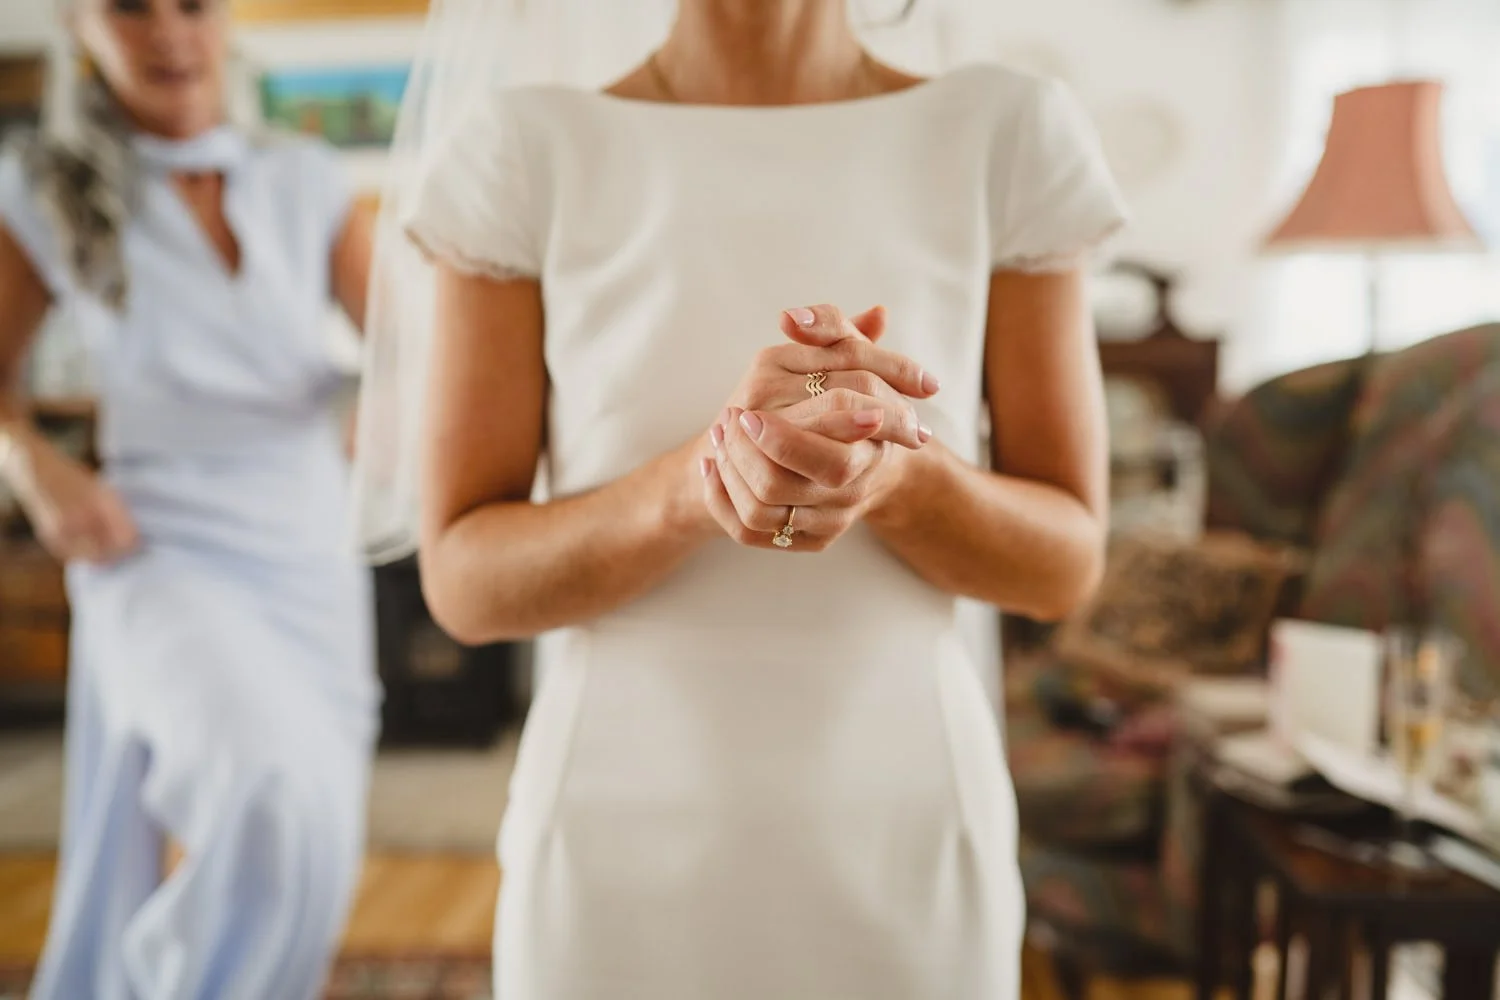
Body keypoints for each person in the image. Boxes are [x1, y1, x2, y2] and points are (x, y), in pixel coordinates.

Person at [353, 0, 1126, 996]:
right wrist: (698, 485)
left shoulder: (1006, 135)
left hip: (905, 829)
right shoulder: (523, 151)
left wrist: (900, 473)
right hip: (618, 837)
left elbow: (1064, 564)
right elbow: (465, 581)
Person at [0, 1, 379, 997]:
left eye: (193, 5)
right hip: (153, 544)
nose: (168, 31)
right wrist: (36, 465)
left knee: (325, 832)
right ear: (83, 24)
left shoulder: (305, 179)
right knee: (265, 800)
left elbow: (414, 348)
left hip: (308, 540)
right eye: (132, 6)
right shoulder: (42, 187)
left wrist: (386, 409)